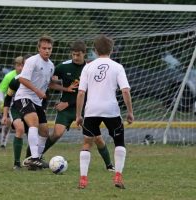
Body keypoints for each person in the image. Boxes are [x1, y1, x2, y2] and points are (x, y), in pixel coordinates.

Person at [25, 40, 114, 172]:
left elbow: (89, 91)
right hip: (65, 110)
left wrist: (68, 102)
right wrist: (65, 89)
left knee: (97, 138)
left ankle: (109, 165)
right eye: (73, 54)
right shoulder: (63, 67)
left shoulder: (90, 67)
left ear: (84, 54)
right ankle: (33, 158)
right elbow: (51, 84)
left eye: (78, 55)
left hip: (85, 109)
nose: (75, 57)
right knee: (56, 134)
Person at [76, 35, 134, 189]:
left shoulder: (87, 67)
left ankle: (83, 179)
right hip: (111, 110)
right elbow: (126, 91)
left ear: (94, 50)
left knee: (87, 143)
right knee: (119, 142)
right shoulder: (117, 67)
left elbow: (81, 93)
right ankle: (118, 177)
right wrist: (129, 112)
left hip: (91, 110)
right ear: (112, 50)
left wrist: (78, 115)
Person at [13, 35, 56, 170]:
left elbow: (50, 84)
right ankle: (35, 158)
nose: (47, 51)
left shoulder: (51, 65)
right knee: (34, 122)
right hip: (24, 96)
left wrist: (65, 88)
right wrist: (37, 91)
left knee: (44, 132)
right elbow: (22, 79)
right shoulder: (32, 61)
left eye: (49, 48)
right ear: (39, 48)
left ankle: (37, 157)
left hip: (37, 101)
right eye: (44, 48)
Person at [0, 56, 24, 148]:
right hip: (10, 103)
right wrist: (1, 102)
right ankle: (3, 143)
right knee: (7, 122)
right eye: (18, 65)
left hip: (22, 102)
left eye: (22, 65)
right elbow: (1, 90)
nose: (20, 68)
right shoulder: (9, 76)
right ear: (14, 66)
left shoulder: (28, 76)